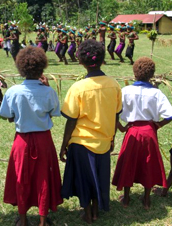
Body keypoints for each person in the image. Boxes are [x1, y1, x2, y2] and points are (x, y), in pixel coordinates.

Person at [0, 46, 63, 226]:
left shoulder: (13, 91)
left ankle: (24, 220)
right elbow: (52, 113)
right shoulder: (48, 91)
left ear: (21, 68)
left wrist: (18, 116)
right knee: (43, 177)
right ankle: (43, 220)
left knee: (21, 178)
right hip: (43, 140)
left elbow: (6, 115)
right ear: (42, 68)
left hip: (22, 141)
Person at [60, 39, 122, 224]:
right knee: (99, 179)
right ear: (103, 60)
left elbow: (71, 120)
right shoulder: (114, 85)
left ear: (79, 61)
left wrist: (64, 145)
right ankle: (95, 211)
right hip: (103, 142)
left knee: (84, 180)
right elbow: (116, 115)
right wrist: (112, 138)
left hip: (81, 144)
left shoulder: (78, 88)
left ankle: (87, 214)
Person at [112, 57, 172, 209]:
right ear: (151, 75)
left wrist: (120, 127)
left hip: (132, 131)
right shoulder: (156, 93)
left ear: (134, 74)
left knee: (129, 162)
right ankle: (147, 199)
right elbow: (171, 114)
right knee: (148, 162)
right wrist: (158, 124)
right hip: (149, 132)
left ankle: (126, 198)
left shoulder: (125, 91)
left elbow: (113, 112)